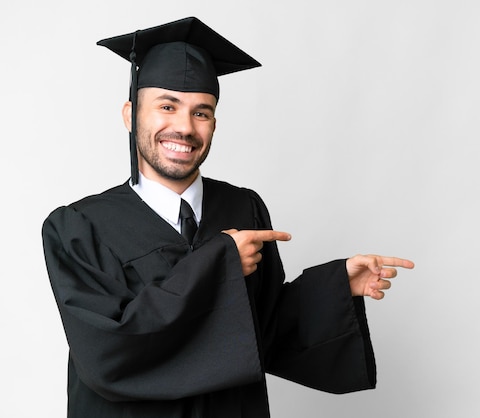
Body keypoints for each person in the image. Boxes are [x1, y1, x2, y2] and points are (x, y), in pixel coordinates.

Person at [42, 16, 414, 418]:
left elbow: (263, 330)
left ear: (214, 123)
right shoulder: (79, 227)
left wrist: (335, 287)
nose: (184, 127)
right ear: (131, 115)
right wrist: (220, 262)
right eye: (167, 106)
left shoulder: (243, 208)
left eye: (201, 113)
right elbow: (109, 353)